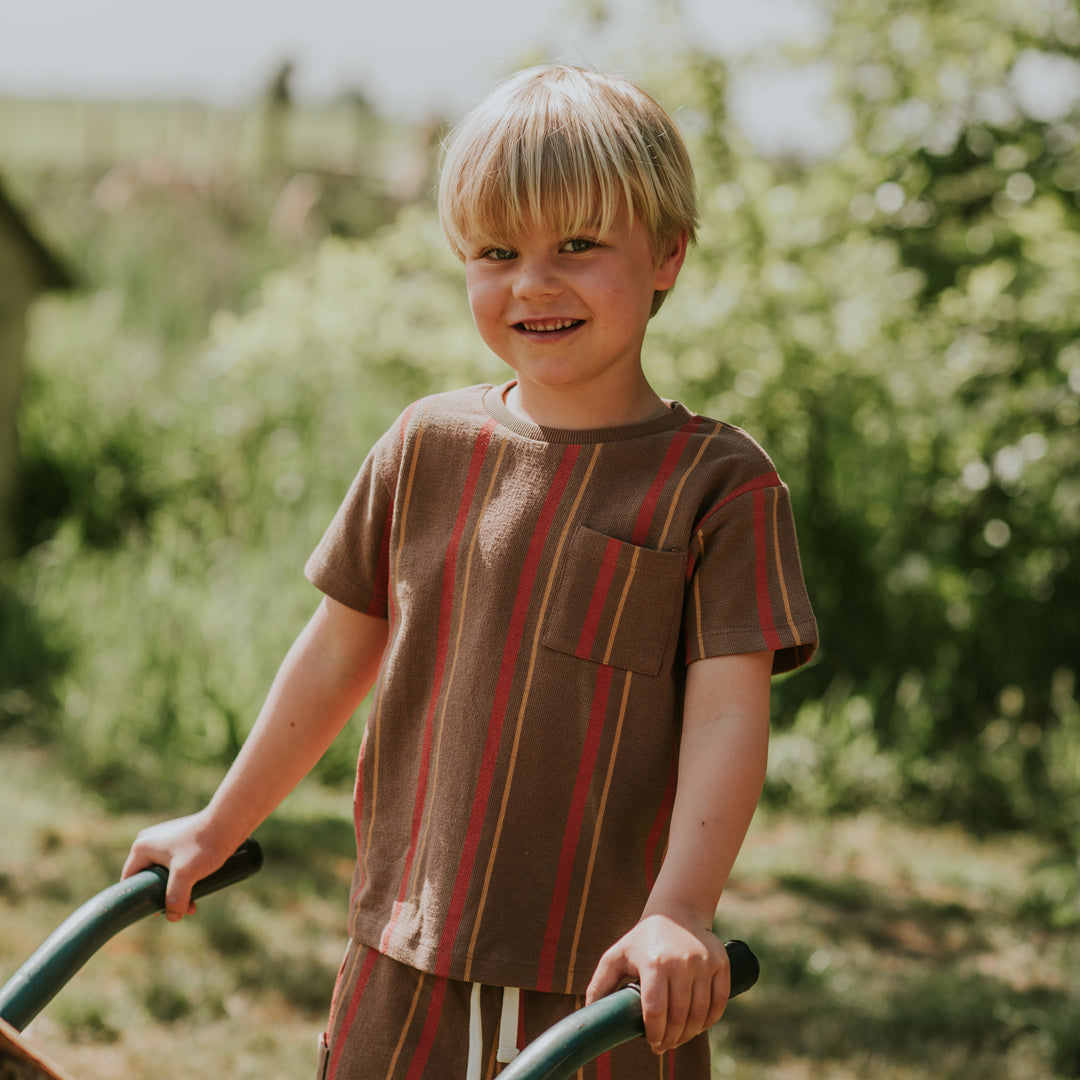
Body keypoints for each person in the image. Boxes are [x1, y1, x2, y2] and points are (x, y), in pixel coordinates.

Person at [123, 64, 818, 1080]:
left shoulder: (717, 488)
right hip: (402, 951)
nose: (533, 281)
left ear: (667, 254)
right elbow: (335, 654)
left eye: (578, 244)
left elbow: (724, 718)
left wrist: (680, 910)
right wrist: (217, 825)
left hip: (611, 981)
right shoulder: (425, 447)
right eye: (497, 252)